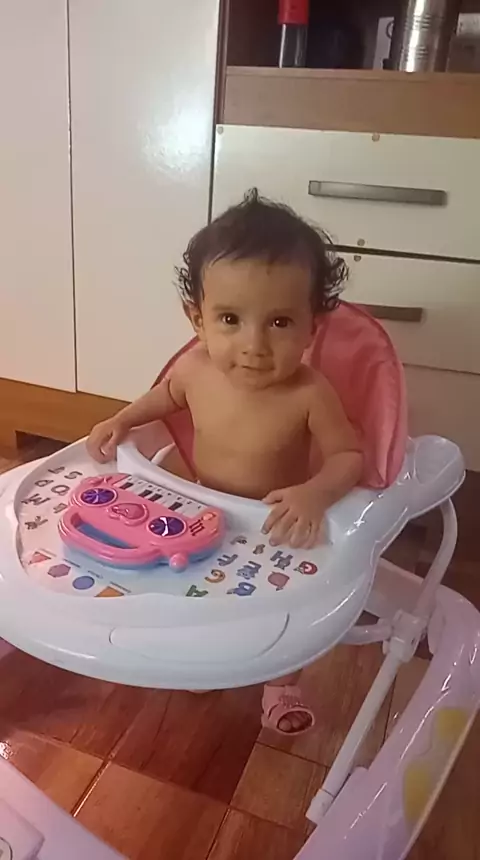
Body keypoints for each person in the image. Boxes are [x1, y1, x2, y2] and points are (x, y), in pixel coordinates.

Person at [87, 189, 363, 734]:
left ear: (312, 325)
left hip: (273, 526)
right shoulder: (195, 369)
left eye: (279, 322)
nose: (254, 344)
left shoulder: (310, 393)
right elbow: (165, 397)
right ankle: (209, 657)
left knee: (285, 612)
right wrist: (122, 419)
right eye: (231, 318)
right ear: (198, 319)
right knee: (197, 592)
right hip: (203, 514)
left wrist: (316, 493)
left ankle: (282, 683)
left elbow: (348, 456)